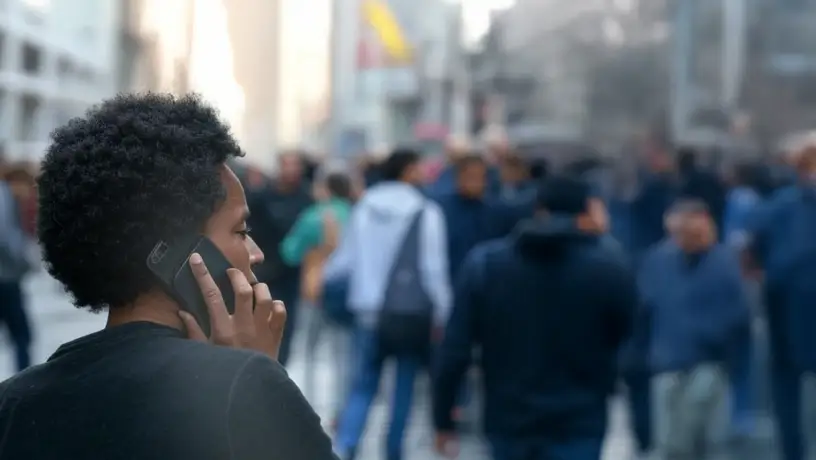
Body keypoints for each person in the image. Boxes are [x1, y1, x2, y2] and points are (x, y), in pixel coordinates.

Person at [0, 93, 337, 460]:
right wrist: (253, 383)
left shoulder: (13, 403)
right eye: (241, 231)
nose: (255, 254)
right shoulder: (244, 388)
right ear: (174, 252)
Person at [433, 175, 636, 460]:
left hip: (509, 420)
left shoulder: (487, 266)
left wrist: (443, 419)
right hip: (579, 421)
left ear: (538, 208)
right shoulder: (609, 269)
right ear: (588, 211)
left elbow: (454, 350)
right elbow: (629, 343)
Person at [325, 148, 451, 460]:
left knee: (362, 384)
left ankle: (346, 446)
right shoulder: (426, 211)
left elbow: (345, 260)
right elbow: (433, 269)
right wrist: (443, 313)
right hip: (409, 313)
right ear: (408, 170)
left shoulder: (365, 206)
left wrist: (326, 284)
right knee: (404, 386)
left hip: (367, 310)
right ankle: (393, 449)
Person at [638, 199, 749, 460]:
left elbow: (738, 314)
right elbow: (645, 309)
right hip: (667, 363)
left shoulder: (724, 264)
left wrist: (709, 338)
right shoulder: (657, 261)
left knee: (711, 441)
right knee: (670, 443)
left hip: (709, 363)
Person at [744, 133, 816, 460]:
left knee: (786, 385)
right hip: (787, 309)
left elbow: (751, 257)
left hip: (784, 310)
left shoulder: (774, 207)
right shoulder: (776, 208)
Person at [280, 168, 354, 421]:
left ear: (327, 188)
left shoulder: (313, 217)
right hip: (347, 292)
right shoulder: (357, 214)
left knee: (309, 351)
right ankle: (341, 408)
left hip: (314, 289)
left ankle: (309, 407)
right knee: (342, 352)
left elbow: (289, 252)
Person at [246, 151, 313, 366]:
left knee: (288, 326)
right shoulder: (262, 197)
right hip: (265, 271)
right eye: (288, 165)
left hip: (292, 274)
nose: (292, 170)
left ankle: (280, 367)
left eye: (296, 165)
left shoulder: (306, 197)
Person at [0, 165, 33, 372]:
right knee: (22, 335)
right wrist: (22, 262)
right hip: (6, 276)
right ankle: (24, 386)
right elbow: (5, 237)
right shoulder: (3, 192)